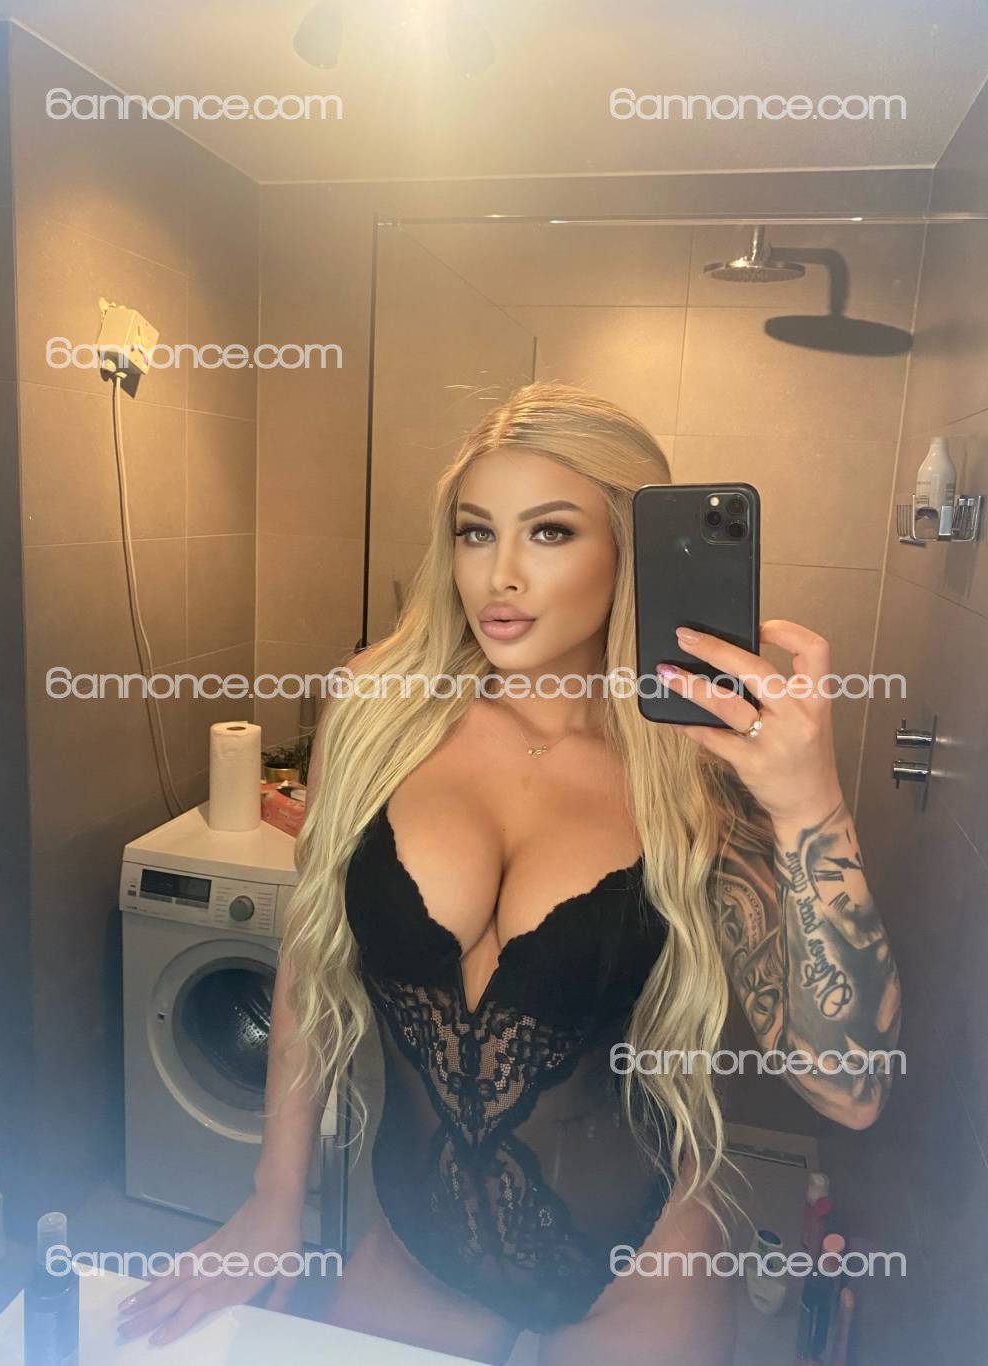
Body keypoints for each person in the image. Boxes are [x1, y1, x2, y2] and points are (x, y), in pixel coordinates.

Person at [116, 382, 901, 1365]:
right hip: (419, 1250)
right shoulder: (375, 710)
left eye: (550, 532)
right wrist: (272, 1200)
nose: (501, 575)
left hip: (639, 1268)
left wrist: (809, 804)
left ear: (628, 552)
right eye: (476, 531)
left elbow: (850, 1089)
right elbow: (311, 961)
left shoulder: (696, 764)